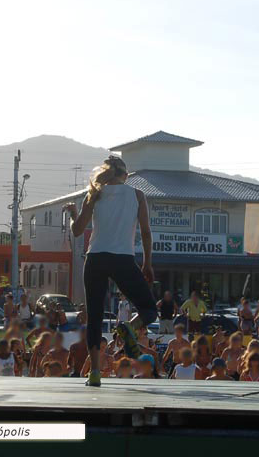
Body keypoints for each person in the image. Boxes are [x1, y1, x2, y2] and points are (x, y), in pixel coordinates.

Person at [64, 156, 158, 387]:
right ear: (125, 175)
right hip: (123, 259)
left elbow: (77, 231)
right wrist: (147, 262)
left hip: (95, 258)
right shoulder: (137, 195)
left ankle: (94, 373)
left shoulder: (95, 192)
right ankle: (130, 327)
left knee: (94, 316)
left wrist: (73, 213)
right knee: (149, 308)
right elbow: (146, 232)